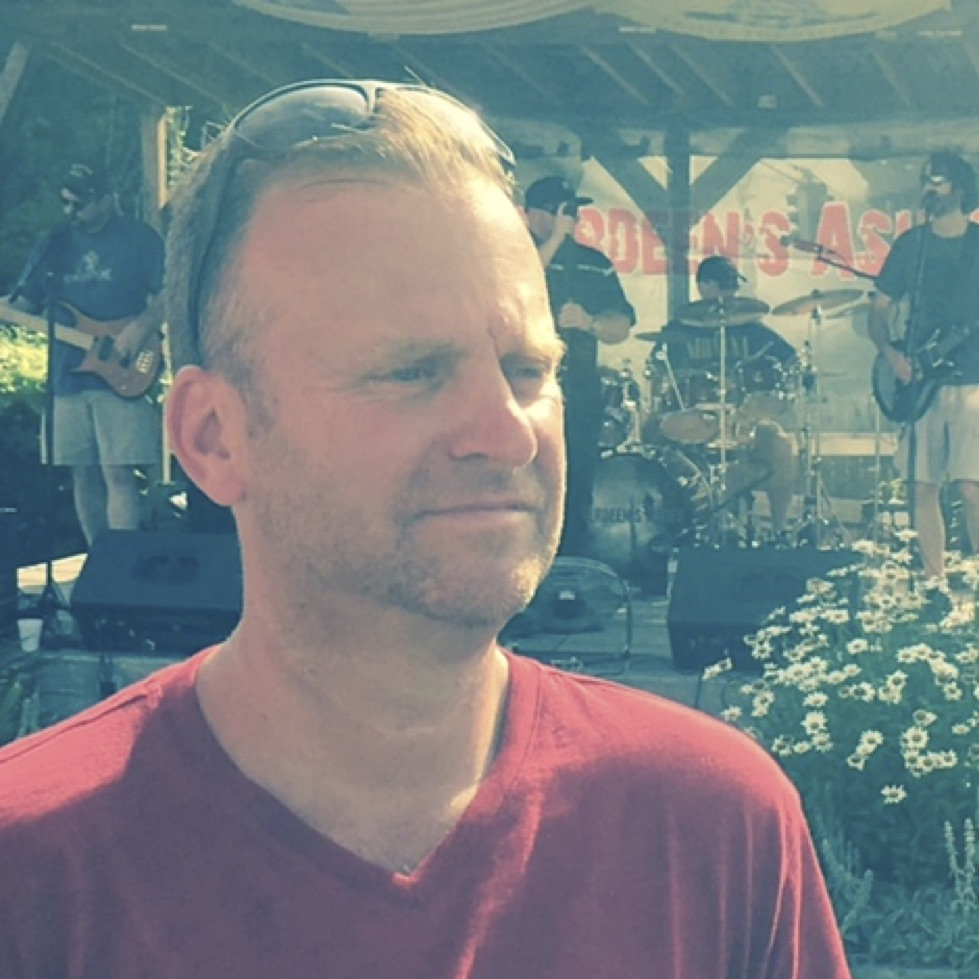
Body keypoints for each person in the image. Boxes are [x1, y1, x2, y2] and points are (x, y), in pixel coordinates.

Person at [0, 81, 850, 977]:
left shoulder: (712, 826)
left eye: (527, 369)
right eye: (409, 370)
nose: (508, 432)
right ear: (213, 437)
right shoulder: (34, 871)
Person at [6, 162, 164, 547]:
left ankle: (122, 563)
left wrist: (138, 329)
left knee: (119, 473)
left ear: (107, 199)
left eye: (80, 203)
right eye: (65, 202)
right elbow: (26, 303)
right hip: (68, 374)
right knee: (82, 473)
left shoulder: (138, 239)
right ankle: (99, 560)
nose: (71, 210)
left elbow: (169, 291)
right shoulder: (54, 243)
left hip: (122, 369)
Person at [869, 150, 979, 581]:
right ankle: (936, 583)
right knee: (921, 486)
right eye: (926, 180)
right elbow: (879, 309)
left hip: (974, 382)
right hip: (921, 380)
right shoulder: (911, 245)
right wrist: (891, 354)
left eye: (938, 179)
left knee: (971, 487)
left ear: (961, 187)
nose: (929, 187)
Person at [523, 175, 635, 557]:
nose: (568, 218)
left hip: (579, 389)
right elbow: (521, 284)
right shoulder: (517, 254)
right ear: (534, 214)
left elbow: (621, 325)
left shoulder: (593, 263)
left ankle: (572, 566)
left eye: (571, 212)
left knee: (577, 484)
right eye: (558, 211)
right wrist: (554, 240)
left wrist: (589, 322)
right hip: (524, 390)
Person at [658, 255, 798, 536]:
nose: (730, 292)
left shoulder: (754, 330)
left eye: (733, 285)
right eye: (724, 285)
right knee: (662, 431)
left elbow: (791, 362)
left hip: (745, 422)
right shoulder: (679, 331)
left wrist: (774, 400)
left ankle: (779, 532)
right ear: (703, 287)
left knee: (783, 447)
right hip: (696, 419)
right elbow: (660, 374)